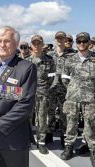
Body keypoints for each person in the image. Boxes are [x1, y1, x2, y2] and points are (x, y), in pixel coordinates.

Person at [0, 26, 37, 167]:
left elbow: (24, 105)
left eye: (7, 41)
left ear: (16, 44)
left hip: (12, 139)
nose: (2, 45)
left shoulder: (26, 68)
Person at [60, 32, 95, 167]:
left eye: (84, 41)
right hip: (72, 97)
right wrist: (73, 89)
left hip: (91, 98)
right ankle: (69, 147)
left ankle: (92, 150)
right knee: (71, 122)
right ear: (76, 43)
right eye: (79, 41)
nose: (81, 44)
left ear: (89, 42)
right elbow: (64, 78)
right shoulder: (69, 59)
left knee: (91, 124)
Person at [26, 35, 55, 154]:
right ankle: (27, 140)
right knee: (26, 118)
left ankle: (41, 142)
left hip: (43, 94)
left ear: (43, 45)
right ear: (31, 46)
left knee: (42, 118)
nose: (36, 46)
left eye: (39, 43)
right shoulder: (26, 61)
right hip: (28, 95)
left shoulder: (49, 60)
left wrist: (46, 89)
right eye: (34, 43)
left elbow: (52, 78)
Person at [47, 31, 71, 147]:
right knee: (50, 112)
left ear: (65, 39)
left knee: (64, 114)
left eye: (62, 38)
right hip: (51, 89)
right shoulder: (49, 55)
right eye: (58, 38)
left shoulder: (71, 55)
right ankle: (49, 134)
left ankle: (64, 136)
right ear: (55, 39)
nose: (60, 40)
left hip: (65, 90)